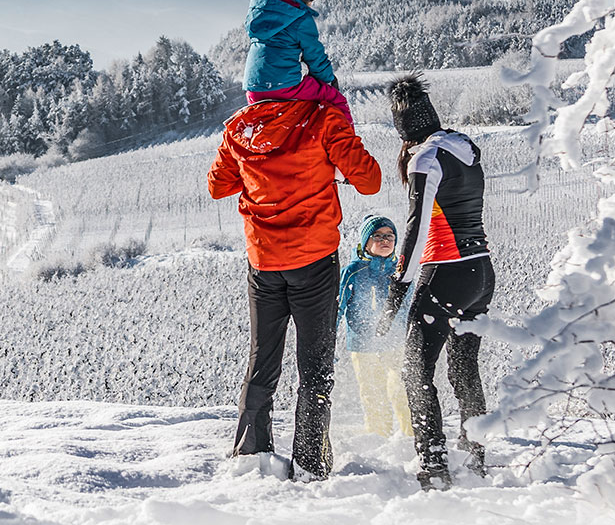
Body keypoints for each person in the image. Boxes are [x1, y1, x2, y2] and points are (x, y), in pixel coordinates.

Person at [208, 93, 381, 479]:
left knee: (262, 359)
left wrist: (257, 172)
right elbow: (369, 181)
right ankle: (310, 462)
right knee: (315, 365)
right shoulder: (321, 119)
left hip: (264, 263)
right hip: (314, 261)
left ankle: (250, 453)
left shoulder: (240, 128)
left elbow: (218, 186)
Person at [384, 75, 494, 490]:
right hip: (482, 272)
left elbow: (414, 229)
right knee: (465, 368)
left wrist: (399, 284)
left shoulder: (425, 159)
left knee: (415, 370)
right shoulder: (463, 149)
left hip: (447, 271)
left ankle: (432, 463)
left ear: (403, 132)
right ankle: (474, 453)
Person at [244, 0, 354, 125]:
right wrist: (328, 80)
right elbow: (315, 56)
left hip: (253, 90)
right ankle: (348, 149)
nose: (311, 4)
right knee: (335, 99)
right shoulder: (301, 18)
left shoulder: (260, 13)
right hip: (284, 87)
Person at [339, 215, 412, 438]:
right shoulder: (354, 271)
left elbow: (411, 307)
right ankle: (379, 439)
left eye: (389, 236)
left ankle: (410, 438)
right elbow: (337, 307)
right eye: (377, 236)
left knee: (402, 391)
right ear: (365, 242)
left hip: (396, 343)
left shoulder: (400, 271)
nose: (385, 240)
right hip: (363, 346)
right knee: (372, 394)